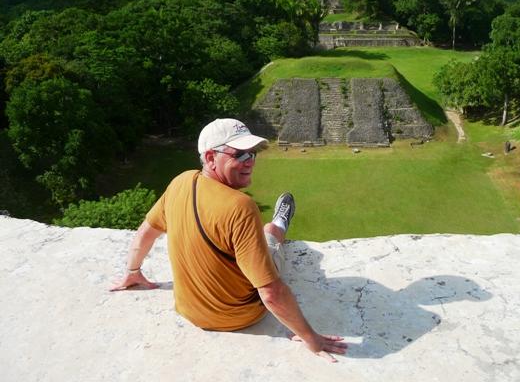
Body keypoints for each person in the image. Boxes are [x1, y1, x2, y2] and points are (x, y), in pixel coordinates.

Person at [111, 118, 347, 362]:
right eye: (240, 155)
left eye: (253, 154)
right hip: (239, 315)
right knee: (271, 241)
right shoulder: (241, 207)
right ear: (211, 157)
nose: (250, 162)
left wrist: (133, 270)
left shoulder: (180, 182)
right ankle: (279, 223)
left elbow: (146, 232)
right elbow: (270, 293)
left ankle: (273, 226)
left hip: (189, 311)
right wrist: (311, 338)